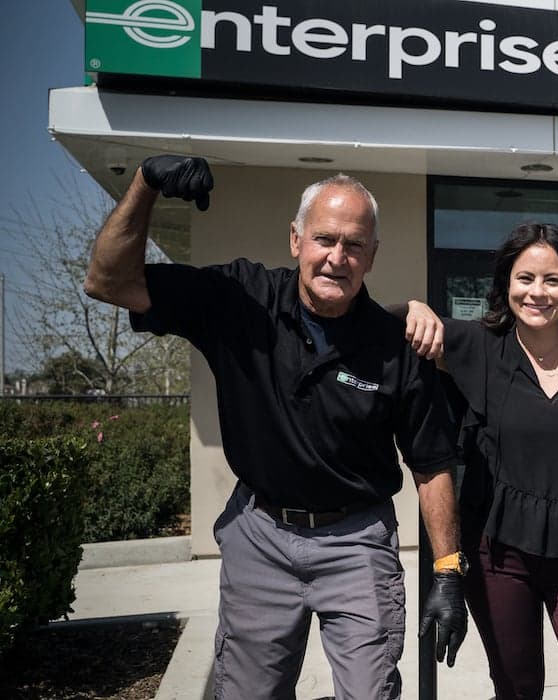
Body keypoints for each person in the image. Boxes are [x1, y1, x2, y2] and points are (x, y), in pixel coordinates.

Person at [83, 155, 468, 700]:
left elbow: (432, 466)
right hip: (259, 535)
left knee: (370, 692)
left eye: (355, 244)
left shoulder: (396, 348)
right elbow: (107, 280)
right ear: (296, 240)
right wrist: (145, 185)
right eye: (325, 239)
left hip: (356, 541)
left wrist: (449, 572)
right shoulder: (239, 300)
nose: (338, 257)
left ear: (372, 255)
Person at [402, 222, 558, 699]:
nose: (537, 292)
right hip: (499, 554)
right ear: (506, 284)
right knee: (517, 690)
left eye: (552, 280)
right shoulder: (478, 346)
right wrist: (413, 307)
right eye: (525, 279)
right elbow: (373, 320)